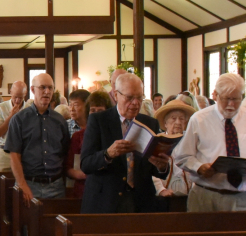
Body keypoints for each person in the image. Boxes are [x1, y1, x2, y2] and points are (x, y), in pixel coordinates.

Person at [174, 73, 246, 213]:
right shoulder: (199, 119)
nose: (231, 104)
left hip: (243, 198)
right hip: (206, 195)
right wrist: (199, 167)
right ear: (215, 95)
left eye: (236, 99)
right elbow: (182, 156)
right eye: (226, 99)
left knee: (244, 235)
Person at [80, 73, 170, 213]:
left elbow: (154, 169)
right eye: (129, 98)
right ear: (116, 95)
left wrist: (162, 166)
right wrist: (108, 154)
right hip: (106, 201)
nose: (135, 103)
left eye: (139, 97)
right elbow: (85, 164)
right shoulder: (99, 121)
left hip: (141, 202)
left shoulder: (150, 123)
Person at [9, 73, 70, 205]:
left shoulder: (60, 121)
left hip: (56, 186)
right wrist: (22, 185)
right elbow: (14, 155)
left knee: (57, 225)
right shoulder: (19, 119)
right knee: (28, 225)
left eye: (50, 88)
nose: (47, 92)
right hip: (29, 184)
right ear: (32, 90)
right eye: (42, 87)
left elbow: (64, 153)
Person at [66, 91, 111, 199]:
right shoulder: (78, 136)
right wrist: (81, 174)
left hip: (107, 191)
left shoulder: (112, 135)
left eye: (100, 110)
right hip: (83, 190)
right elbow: (68, 167)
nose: (96, 114)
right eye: (92, 110)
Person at [151, 99, 196, 197]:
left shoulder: (191, 140)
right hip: (164, 195)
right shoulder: (157, 141)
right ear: (165, 123)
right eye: (173, 118)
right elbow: (151, 170)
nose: (178, 122)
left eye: (182, 118)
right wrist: (161, 190)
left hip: (189, 195)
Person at [0, 81, 28, 172]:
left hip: (25, 154)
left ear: (25, 94)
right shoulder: (1, 107)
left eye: (21, 97)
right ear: (10, 92)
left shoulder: (30, 108)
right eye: (15, 97)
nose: (17, 101)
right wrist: (11, 116)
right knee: (2, 184)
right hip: (4, 153)